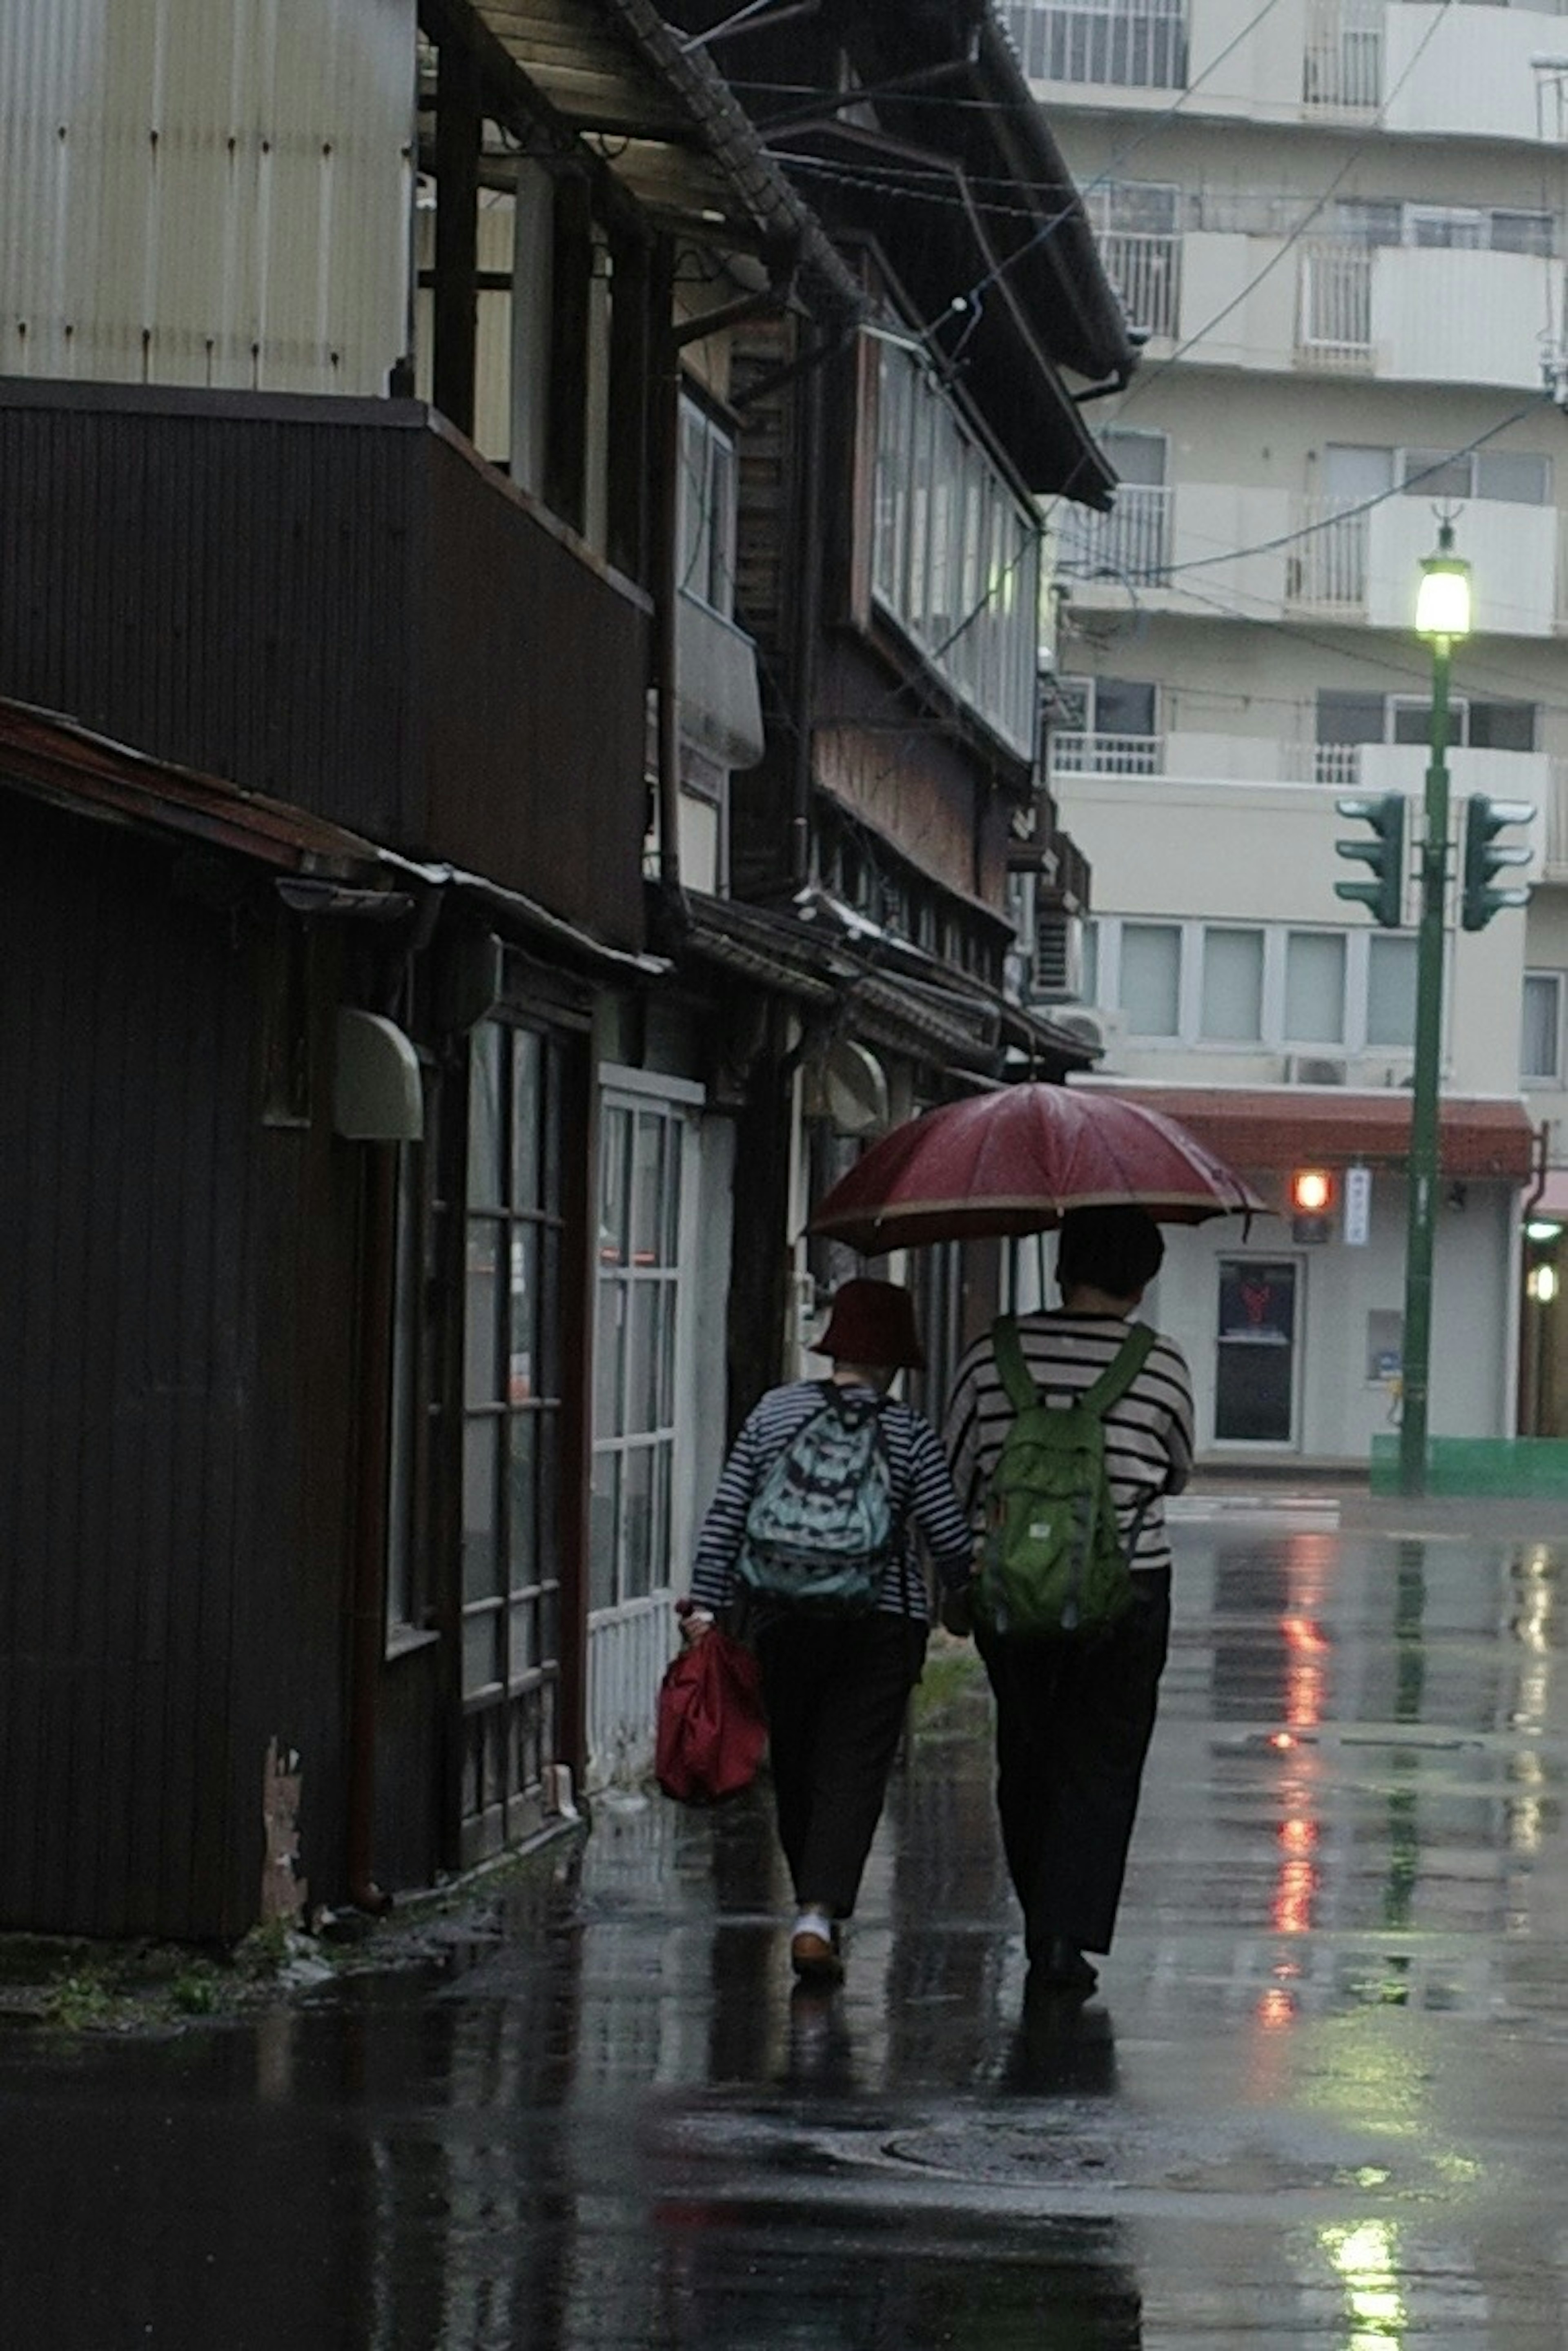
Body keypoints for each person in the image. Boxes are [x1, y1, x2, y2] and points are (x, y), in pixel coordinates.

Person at [684, 1277, 976, 1985]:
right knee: (855, 1764)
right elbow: (947, 1535)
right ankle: (818, 1913)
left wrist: (705, 1603)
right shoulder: (907, 1432)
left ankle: (813, 1905)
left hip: (783, 1616)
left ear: (835, 1344)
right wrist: (965, 1596)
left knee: (801, 1760)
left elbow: (729, 1510)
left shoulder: (776, 1412)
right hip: (882, 1620)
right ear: (897, 1361)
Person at [942, 1205, 1194, 1998]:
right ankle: (1064, 1935)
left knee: (1028, 1752)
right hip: (1128, 1592)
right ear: (1143, 1281)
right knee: (1103, 1760)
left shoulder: (992, 1358)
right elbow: (1179, 1470)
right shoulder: (1159, 1366)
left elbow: (959, 1472)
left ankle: (1041, 1920)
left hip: (1014, 1586)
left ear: (1061, 1266)